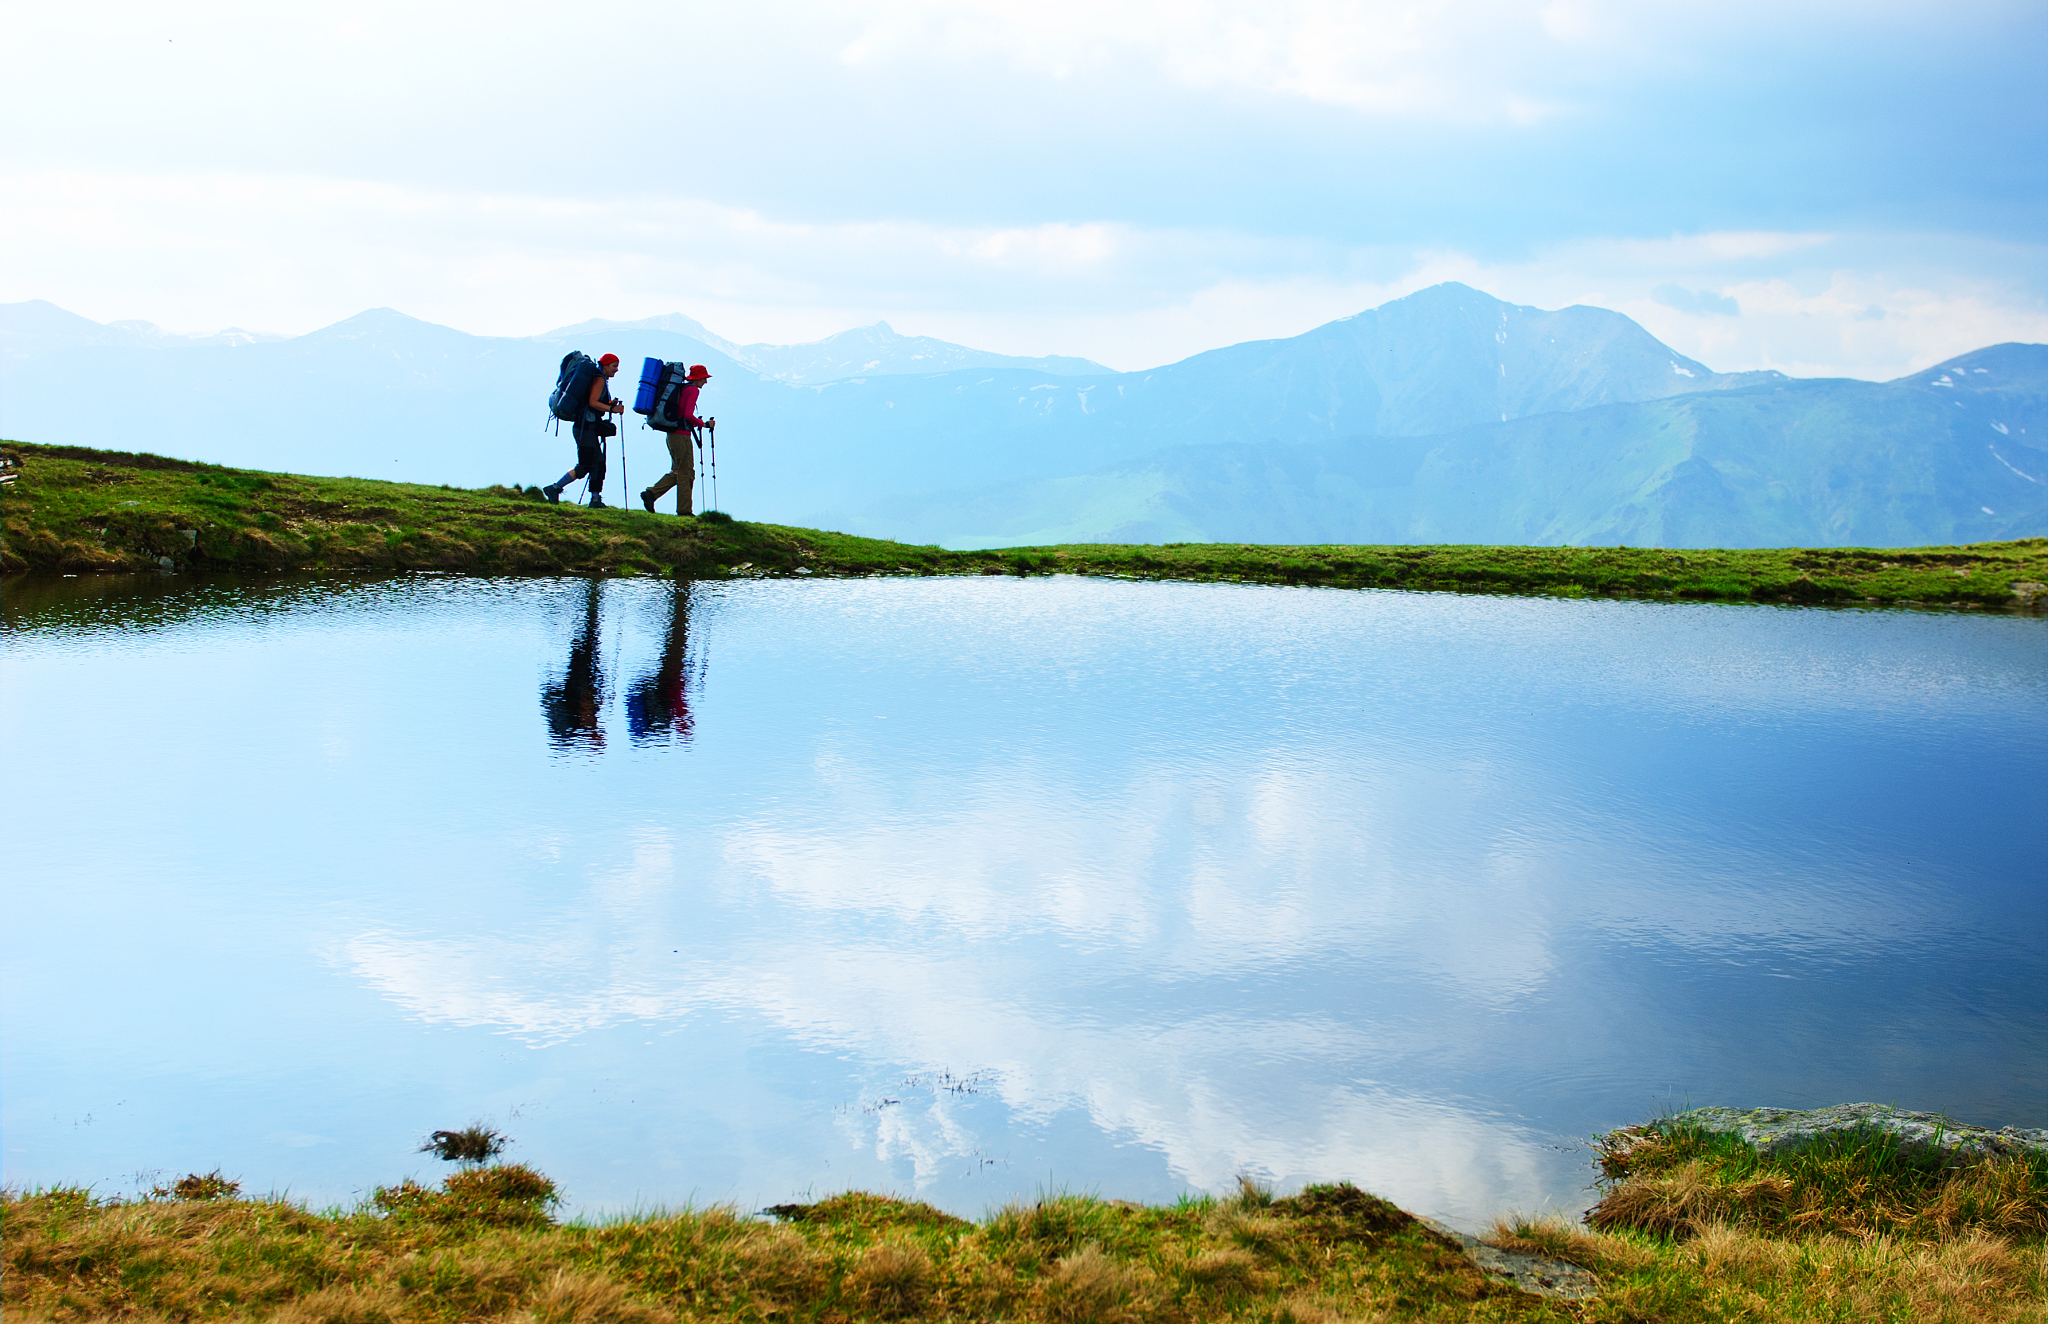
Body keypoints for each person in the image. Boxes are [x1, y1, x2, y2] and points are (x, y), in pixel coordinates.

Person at [543, 353, 626, 507]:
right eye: (614, 366)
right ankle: (554, 488)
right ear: (606, 365)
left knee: (598, 463)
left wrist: (609, 403)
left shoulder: (599, 377)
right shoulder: (599, 378)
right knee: (586, 464)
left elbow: (592, 401)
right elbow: (593, 402)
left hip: (586, 427)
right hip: (585, 428)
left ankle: (595, 499)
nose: (616, 369)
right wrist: (612, 409)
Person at [639, 364, 715, 514]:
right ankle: (684, 510)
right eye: (704, 378)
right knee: (686, 472)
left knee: (679, 471)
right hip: (681, 436)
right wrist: (704, 424)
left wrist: (695, 422)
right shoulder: (693, 390)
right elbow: (687, 414)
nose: (705, 382)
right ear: (698, 378)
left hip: (672, 435)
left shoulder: (683, 388)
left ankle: (651, 494)